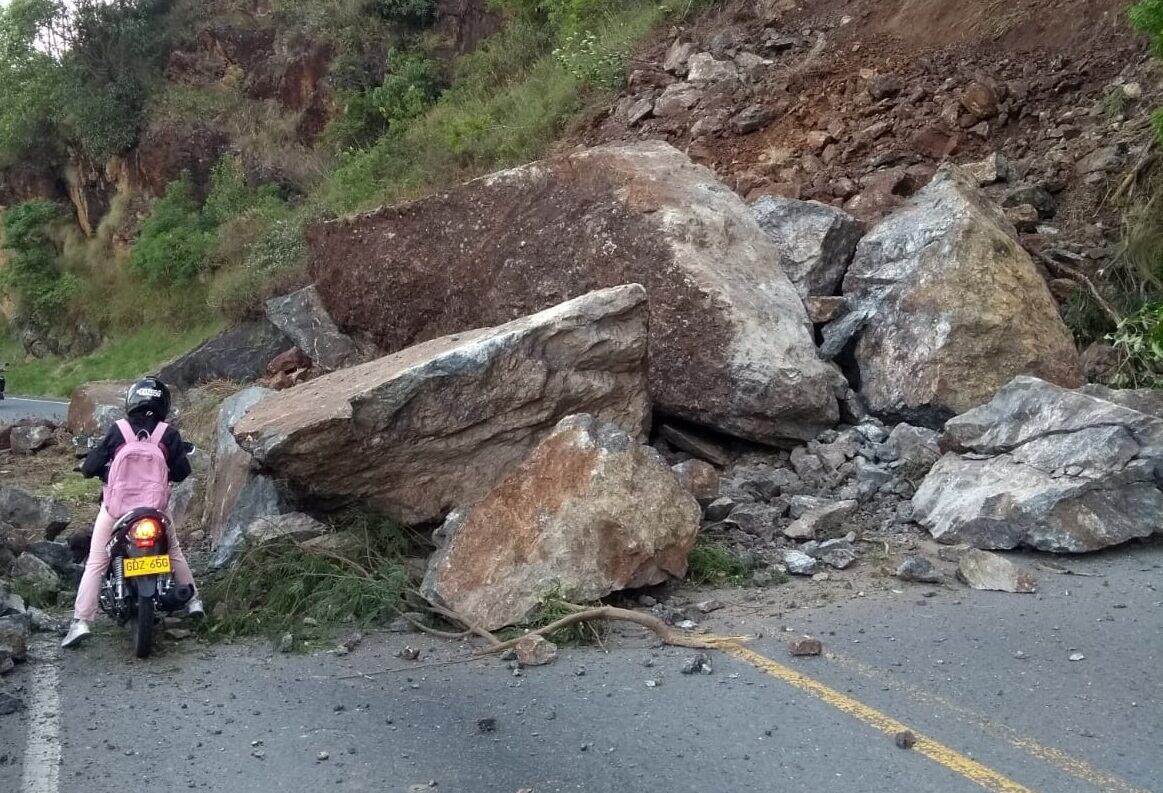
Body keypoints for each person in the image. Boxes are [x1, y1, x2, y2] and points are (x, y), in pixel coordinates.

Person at [61, 376, 203, 649]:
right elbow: (182, 472)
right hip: (155, 509)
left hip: (117, 510)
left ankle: (80, 622)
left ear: (132, 402)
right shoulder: (168, 434)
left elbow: (90, 467)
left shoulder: (119, 430)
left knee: (97, 560)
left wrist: (97, 468)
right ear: (163, 404)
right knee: (173, 551)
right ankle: (194, 602)